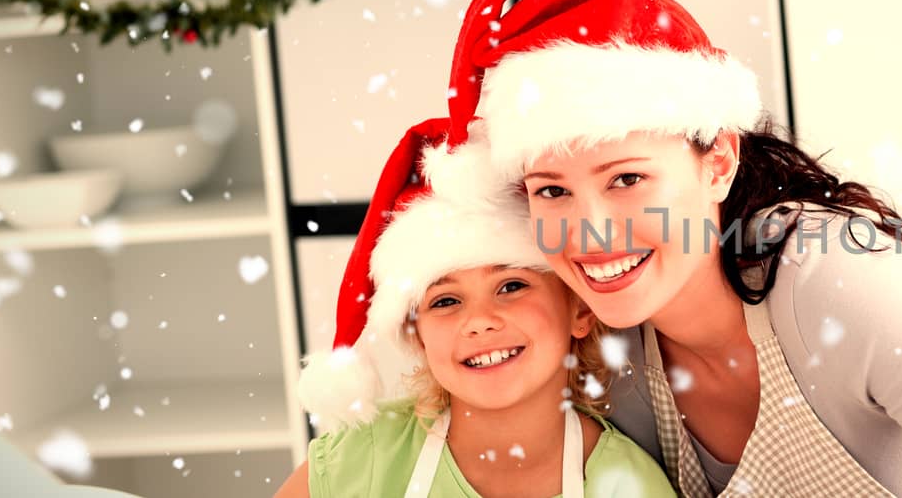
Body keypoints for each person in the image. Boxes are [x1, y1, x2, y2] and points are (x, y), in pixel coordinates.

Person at [446, 0, 902, 495]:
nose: (590, 233)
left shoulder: (833, 278)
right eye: (552, 191)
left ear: (717, 160)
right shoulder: (613, 356)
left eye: (627, 179)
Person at [273, 118, 674, 498]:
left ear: (580, 312)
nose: (479, 322)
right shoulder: (359, 460)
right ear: (418, 335)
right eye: (445, 301)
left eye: (512, 286)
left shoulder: (626, 484)